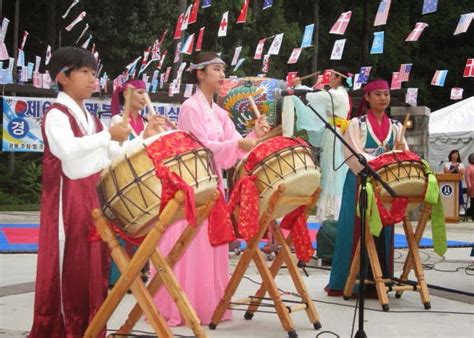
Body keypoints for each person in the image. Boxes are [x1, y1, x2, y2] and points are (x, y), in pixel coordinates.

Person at [29, 46, 162, 338]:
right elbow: (67, 151)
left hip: (93, 202)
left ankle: (89, 328)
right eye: (86, 72)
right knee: (70, 269)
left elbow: (114, 155)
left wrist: (145, 139)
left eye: (95, 73)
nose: (94, 80)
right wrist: (106, 136)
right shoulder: (56, 113)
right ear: (63, 77)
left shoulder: (91, 118)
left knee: (93, 269)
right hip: (68, 205)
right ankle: (64, 330)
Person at [152, 51, 269, 326]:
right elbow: (200, 148)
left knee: (209, 245)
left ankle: (207, 303)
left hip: (213, 182)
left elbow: (236, 145)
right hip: (192, 182)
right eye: (216, 69)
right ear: (200, 74)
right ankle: (184, 304)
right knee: (191, 244)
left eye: (222, 69)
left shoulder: (220, 113)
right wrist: (239, 145)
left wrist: (255, 135)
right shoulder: (191, 107)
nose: (221, 74)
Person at [326, 79, 408, 296]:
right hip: (360, 182)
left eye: (386, 94)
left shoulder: (397, 127)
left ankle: (379, 281)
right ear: (367, 98)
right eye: (378, 94)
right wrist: (382, 162)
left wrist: (399, 152)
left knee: (384, 230)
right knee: (355, 229)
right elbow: (353, 154)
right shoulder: (357, 124)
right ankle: (350, 283)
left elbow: (404, 156)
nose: (383, 98)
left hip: (384, 185)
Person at [293, 68, 352, 222]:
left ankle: (333, 213)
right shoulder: (337, 93)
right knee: (330, 169)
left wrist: (299, 87)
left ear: (339, 78)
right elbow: (319, 96)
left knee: (333, 170)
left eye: (332, 75)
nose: (329, 78)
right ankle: (332, 211)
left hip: (336, 135)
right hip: (334, 132)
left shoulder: (337, 95)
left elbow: (315, 98)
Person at [465, 153, 474, 221]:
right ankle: (471, 215)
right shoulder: (469, 167)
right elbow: (467, 178)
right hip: (472, 187)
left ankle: (469, 213)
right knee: (473, 202)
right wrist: (469, 186)